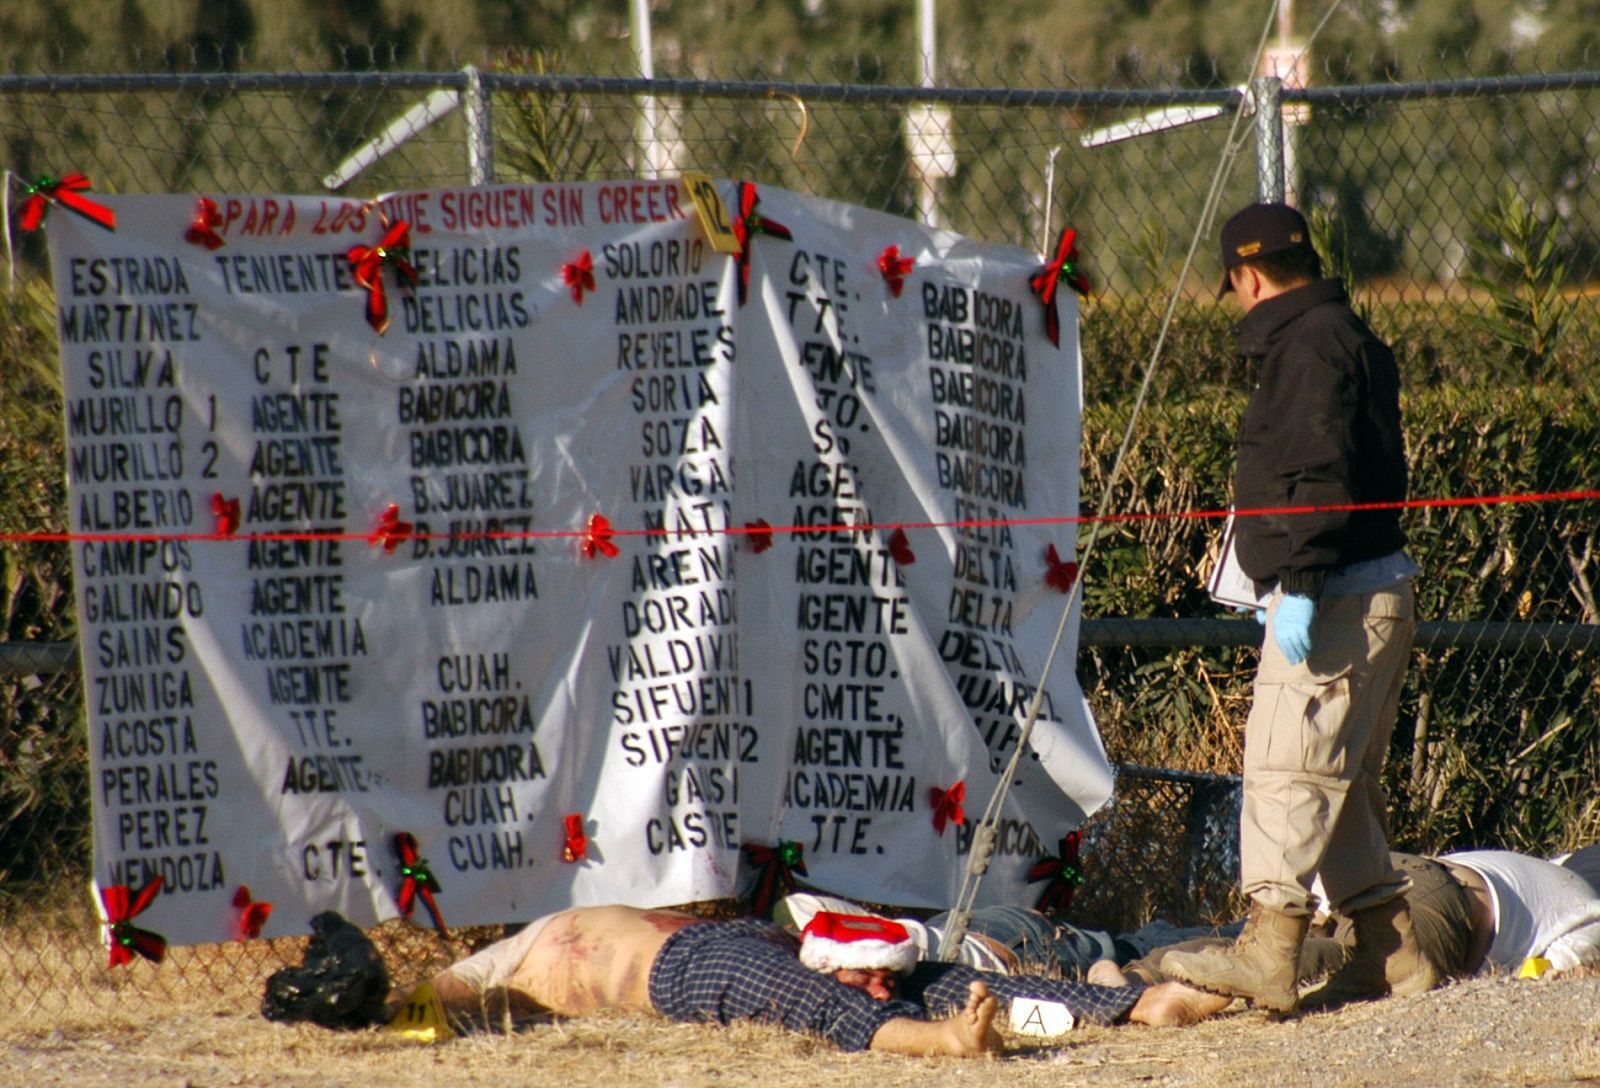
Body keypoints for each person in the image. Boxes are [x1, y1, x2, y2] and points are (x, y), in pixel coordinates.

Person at [1163, 203, 1424, 1015]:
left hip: (1335, 592)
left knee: (1286, 767)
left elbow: (1317, 472)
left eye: (1235, 287)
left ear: (1246, 276)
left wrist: (1300, 587)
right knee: (1334, 783)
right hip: (1368, 584)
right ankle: (1390, 953)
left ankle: (1269, 953)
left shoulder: (1308, 347)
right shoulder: (1338, 332)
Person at [392, 904, 1230, 1057]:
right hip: (685, 965)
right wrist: (388, 1006)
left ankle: (1139, 1003)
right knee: (845, 999)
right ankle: (941, 1039)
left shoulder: (541, 945)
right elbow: (439, 999)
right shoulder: (521, 957)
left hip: (730, 941)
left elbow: (880, 983)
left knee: (921, 974)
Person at [1109, 850, 1600, 1001]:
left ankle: (1132, 974)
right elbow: (1544, 975)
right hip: (1445, 902)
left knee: (1263, 945)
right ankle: (1178, 998)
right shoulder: (1590, 914)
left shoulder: (1548, 869)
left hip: (1392, 868)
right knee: (1335, 963)